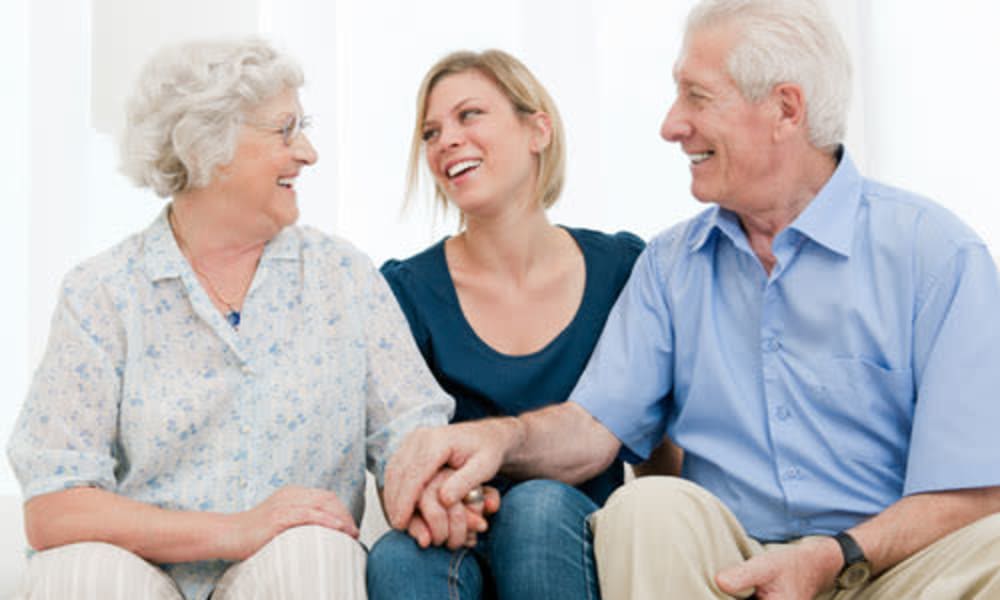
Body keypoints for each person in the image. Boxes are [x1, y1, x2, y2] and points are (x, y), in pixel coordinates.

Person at [381, 1, 1000, 599]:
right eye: (431, 130)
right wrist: (500, 441)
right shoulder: (670, 265)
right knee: (647, 507)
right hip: (729, 567)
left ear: (785, 109)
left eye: (697, 97)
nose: (671, 125)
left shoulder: (935, 255)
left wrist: (837, 553)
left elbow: (978, 487)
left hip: (891, 564)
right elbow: (595, 427)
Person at [6, 38, 456, 600]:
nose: (308, 152)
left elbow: (411, 435)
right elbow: (54, 507)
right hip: (140, 574)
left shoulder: (342, 276)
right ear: (206, 147)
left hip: (288, 572)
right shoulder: (102, 293)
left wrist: (437, 489)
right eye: (285, 130)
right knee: (78, 572)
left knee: (314, 549)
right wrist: (235, 531)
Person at [365, 49, 645, 600]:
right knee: (398, 555)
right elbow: (396, 445)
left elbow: (662, 441)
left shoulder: (623, 270)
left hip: (575, 539)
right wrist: (445, 496)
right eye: (430, 132)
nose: (446, 140)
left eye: (469, 115)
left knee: (536, 506)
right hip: (457, 533)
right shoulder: (404, 291)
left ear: (537, 129)